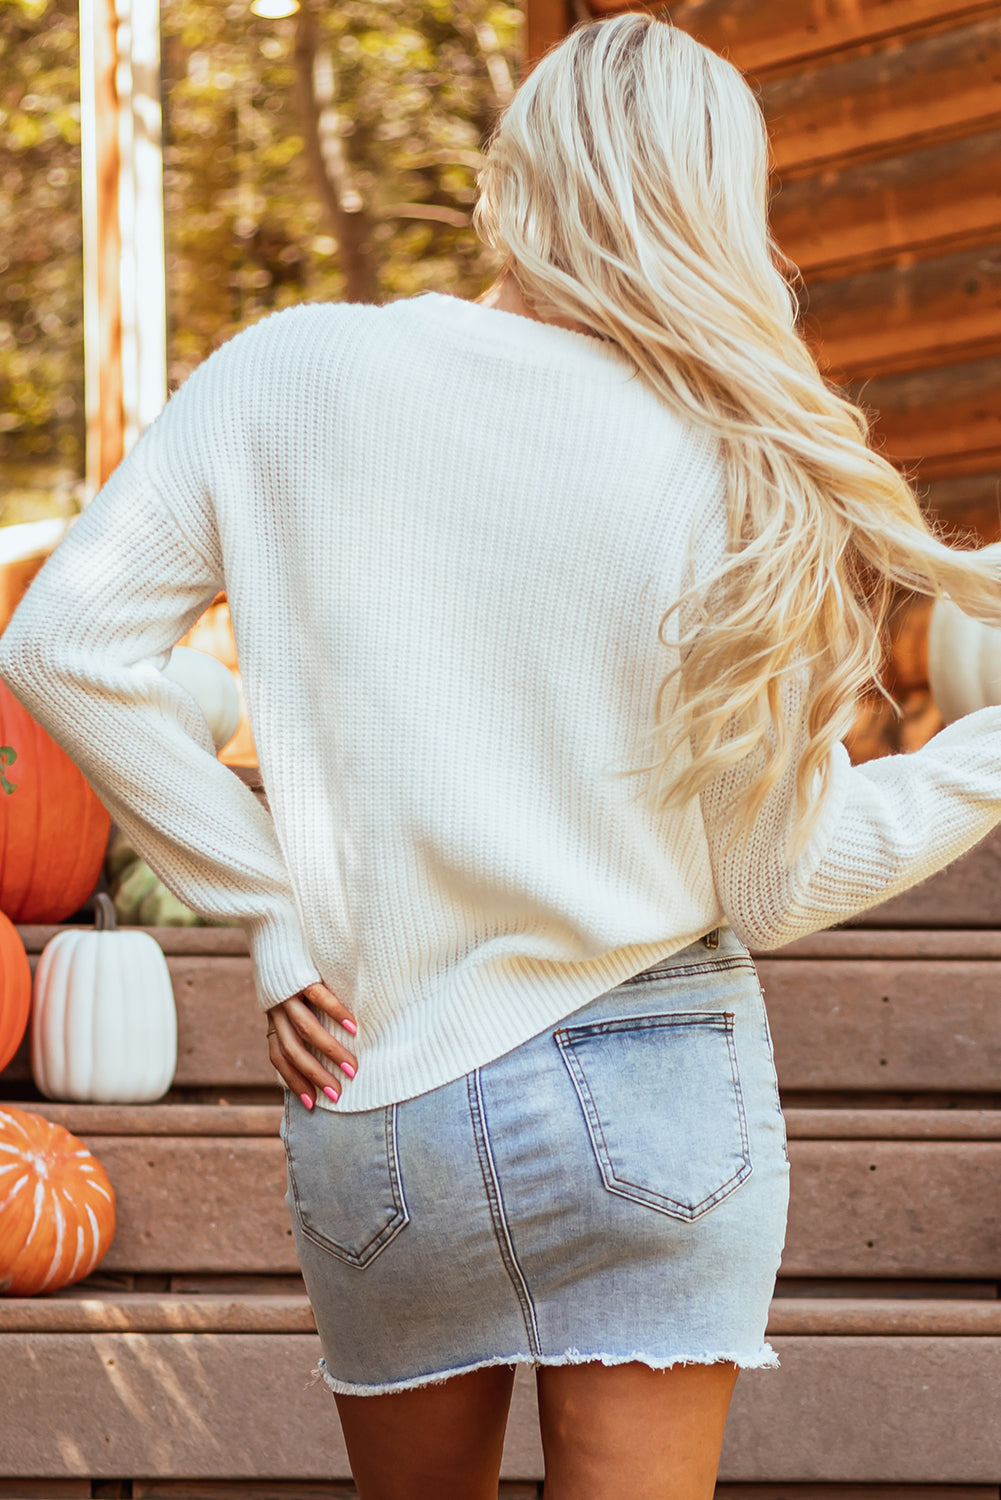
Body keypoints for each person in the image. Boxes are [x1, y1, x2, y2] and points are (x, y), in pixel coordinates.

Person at [3, 11, 1001, 1498]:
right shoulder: (738, 458)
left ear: (512, 174)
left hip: (383, 1077)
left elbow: (58, 649)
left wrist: (267, 908)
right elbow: (779, 883)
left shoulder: (294, 373)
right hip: (660, 1074)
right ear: (715, 201)